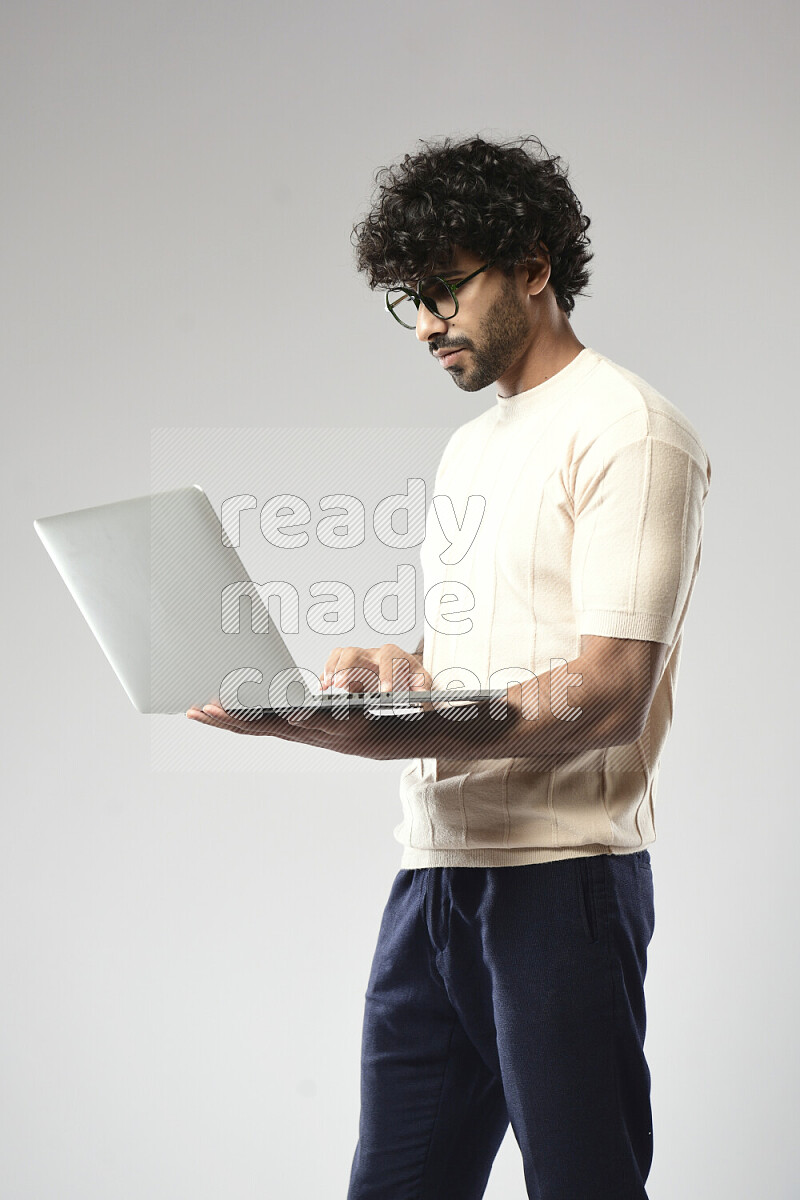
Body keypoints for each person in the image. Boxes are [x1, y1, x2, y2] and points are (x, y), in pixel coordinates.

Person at [188, 134, 712, 1199]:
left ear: (531, 266)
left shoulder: (630, 431)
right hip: (432, 880)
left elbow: (606, 694)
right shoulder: (475, 444)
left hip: (559, 884)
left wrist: (383, 734)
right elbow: (503, 654)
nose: (424, 323)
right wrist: (400, 677)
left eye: (442, 290)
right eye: (407, 298)